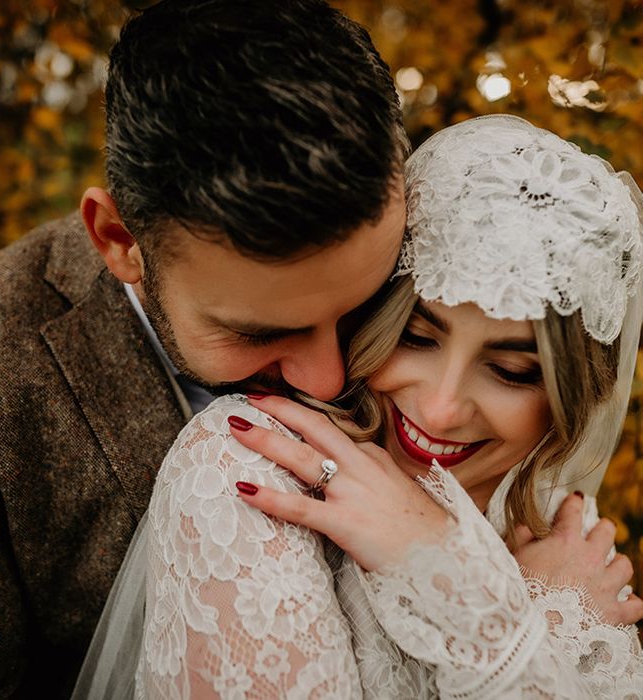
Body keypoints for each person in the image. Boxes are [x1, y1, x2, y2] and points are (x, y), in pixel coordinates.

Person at [0, 2, 409, 697]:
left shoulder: (450, 291)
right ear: (120, 242)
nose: (333, 376)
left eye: (363, 308)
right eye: (256, 332)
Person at [75, 115, 643, 699]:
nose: (442, 408)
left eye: (511, 372)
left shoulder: (563, 533)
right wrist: (512, 632)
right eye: (417, 337)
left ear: (573, 398)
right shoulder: (252, 466)